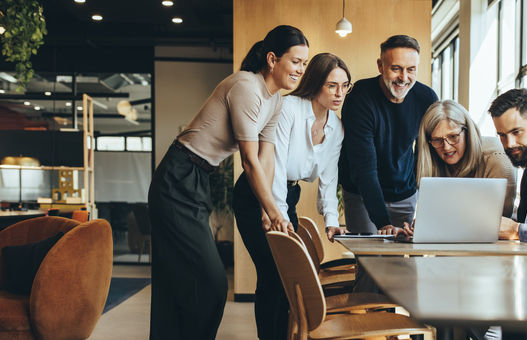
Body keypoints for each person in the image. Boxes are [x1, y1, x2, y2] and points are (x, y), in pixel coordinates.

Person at [147, 25, 309, 340]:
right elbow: (248, 161)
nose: (301, 69)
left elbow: (266, 158)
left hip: (198, 178)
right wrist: (276, 212)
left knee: (176, 281)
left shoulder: (274, 101)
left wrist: (267, 209)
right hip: (178, 177)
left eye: (304, 63)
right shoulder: (246, 87)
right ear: (273, 59)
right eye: (296, 61)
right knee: (212, 285)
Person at [233, 52, 349, 340]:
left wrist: (331, 220)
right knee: (273, 272)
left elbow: (329, 179)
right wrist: (275, 214)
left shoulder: (336, 128)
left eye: (345, 85)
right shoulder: (289, 108)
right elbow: (276, 163)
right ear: (316, 83)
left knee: (288, 275)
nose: (339, 93)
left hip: (290, 194)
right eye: (331, 85)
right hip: (258, 194)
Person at [338, 35, 438, 293]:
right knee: (371, 267)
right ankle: (366, 329)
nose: (404, 77)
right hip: (362, 193)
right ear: (380, 65)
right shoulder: (360, 97)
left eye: (411, 69)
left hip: (404, 192)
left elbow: (428, 156)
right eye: (396, 68)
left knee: (396, 268)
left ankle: (391, 329)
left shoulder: (427, 98)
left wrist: (427, 209)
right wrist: (382, 221)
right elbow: (363, 168)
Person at [416, 99, 516, 217]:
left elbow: (500, 219)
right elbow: (433, 216)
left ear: (468, 132)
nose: (447, 147)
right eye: (437, 140)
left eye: (453, 136)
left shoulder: (496, 157)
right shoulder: (431, 158)